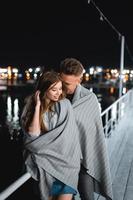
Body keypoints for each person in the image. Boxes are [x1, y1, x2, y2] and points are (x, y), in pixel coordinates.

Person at [21, 71, 82, 200]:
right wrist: (38, 107)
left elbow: (67, 137)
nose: (59, 93)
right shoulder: (31, 108)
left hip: (67, 165)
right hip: (46, 168)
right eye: (54, 90)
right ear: (43, 90)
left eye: (60, 89)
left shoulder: (65, 105)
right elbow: (33, 135)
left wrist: (41, 147)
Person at [59, 58, 113, 200]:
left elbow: (93, 133)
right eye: (62, 81)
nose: (63, 87)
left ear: (79, 80)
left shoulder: (90, 99)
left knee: (87, 197)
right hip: (61, 160)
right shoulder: (54, 96)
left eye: (68, 84)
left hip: (84, 160)